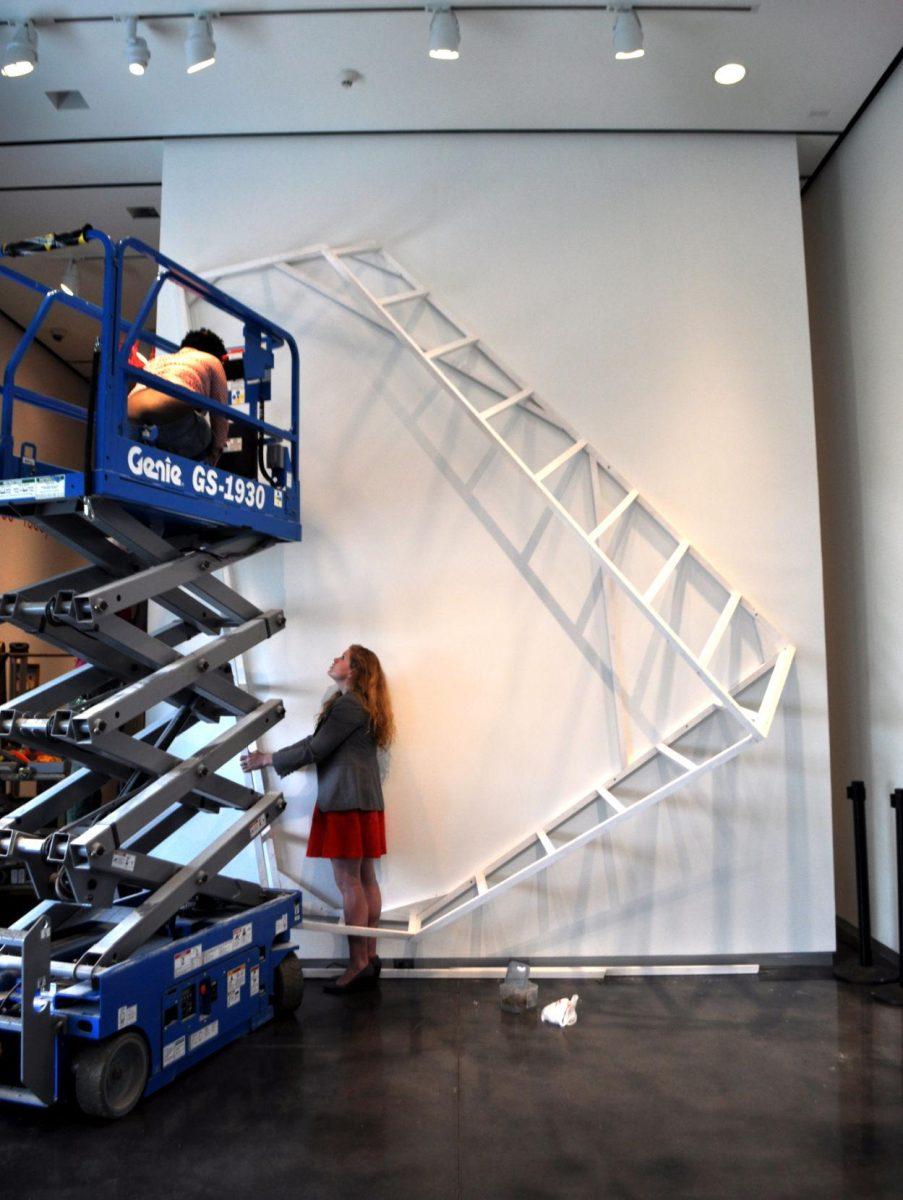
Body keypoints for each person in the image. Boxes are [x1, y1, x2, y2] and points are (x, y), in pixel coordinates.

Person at [240, 645, 395, 995]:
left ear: (354, 670)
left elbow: (315, 748)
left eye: (341, 658)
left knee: (349, 882)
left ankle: (357, 965)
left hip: (345, 801)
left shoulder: (348, 705)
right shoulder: (362, 706)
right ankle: (368, 958)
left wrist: (268, 759)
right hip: (365, 801)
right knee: (365, 878)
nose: (333, 660)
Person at [127, 327, 231, 462]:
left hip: (132, 408)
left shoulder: (157, 361)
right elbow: (220, 417)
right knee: (205, 431)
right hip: (170, 406)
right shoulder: (212, 360)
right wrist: (214, 455)